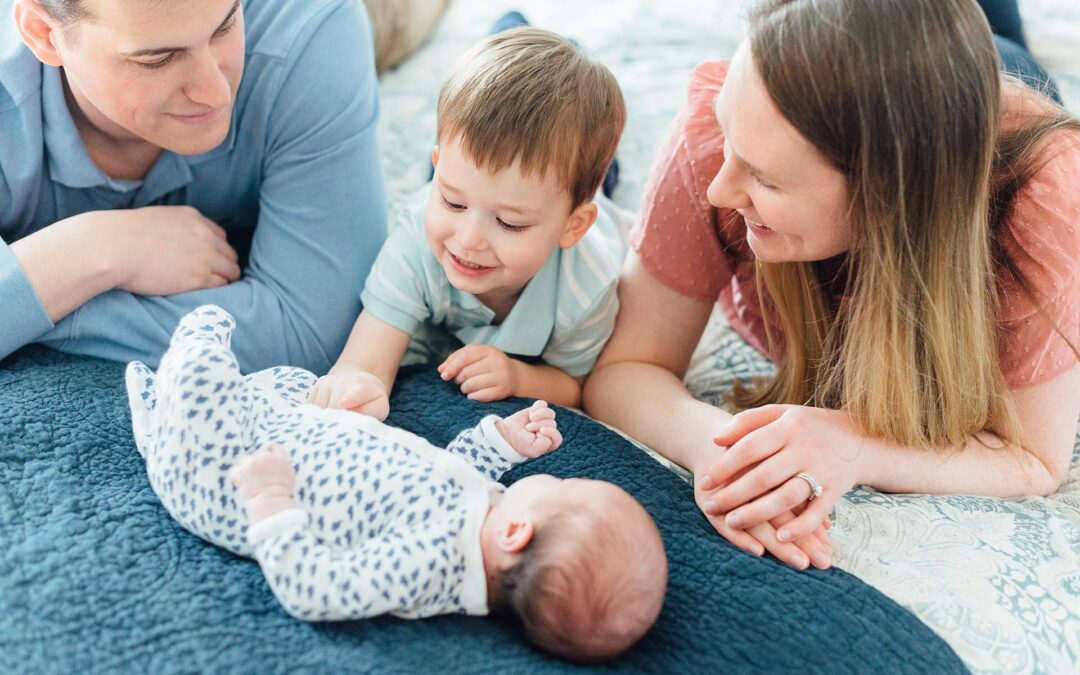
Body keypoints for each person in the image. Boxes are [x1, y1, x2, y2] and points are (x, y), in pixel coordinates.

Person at [583, 0, 1080, 572]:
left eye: (765, 179)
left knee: (1002, 47)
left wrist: (855, 445)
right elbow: (625, 369)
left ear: (888, 200)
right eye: (728, 138)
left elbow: (1034, 459)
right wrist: (735, 459)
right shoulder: (725, 133)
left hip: (991, 93)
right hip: (927, 61)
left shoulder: (1041, 200)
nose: (719, 191)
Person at [125, 305, 668, 664]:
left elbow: (317, 590)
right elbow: (452, 472)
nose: (560, 476)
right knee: (300, 384)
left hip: (231, 478)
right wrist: (504, 441)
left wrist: (270, 499)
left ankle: (186, 367)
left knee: (201, 367)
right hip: (289, 432)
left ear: (516, 531)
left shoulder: (430, 565)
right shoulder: (475, 524)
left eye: (566, 487)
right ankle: (173, 406)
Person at [0, 0, 386, 373]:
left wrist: (31, 306)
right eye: (157, 58)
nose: (216, 94)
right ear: (44, 34)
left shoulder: (313, 25)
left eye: (226, 25)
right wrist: (89, 254)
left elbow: (309, 335)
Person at [307, 26, 628, 417]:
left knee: (603, 169)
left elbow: (577, 384)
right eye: (452, 202)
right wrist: (356, 388)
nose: (469, 239)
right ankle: (510, 26)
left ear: (572, 227)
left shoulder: (587, 290)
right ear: (437, 170)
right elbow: (365, 362)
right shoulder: (415, 241)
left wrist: (518, 376)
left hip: (599, 209)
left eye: (509, 223)